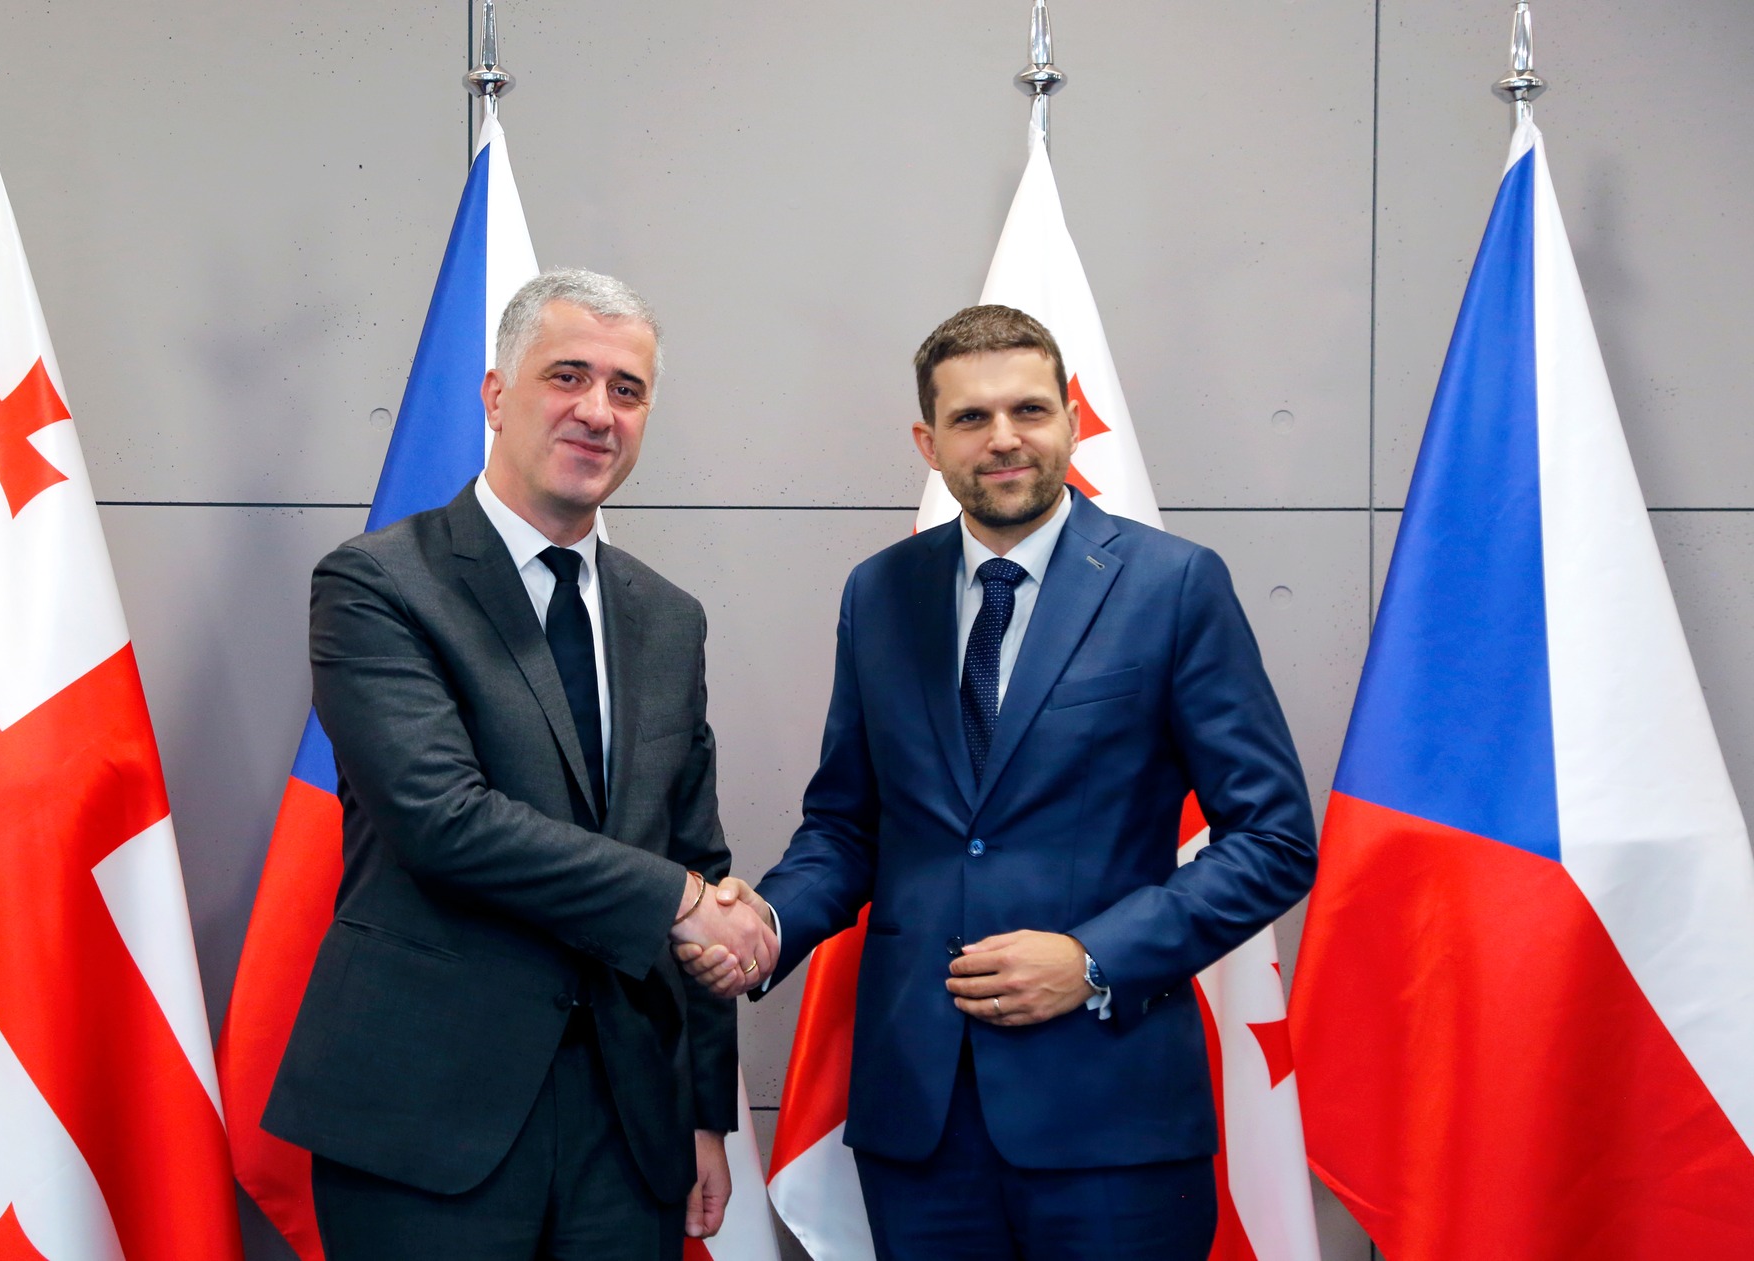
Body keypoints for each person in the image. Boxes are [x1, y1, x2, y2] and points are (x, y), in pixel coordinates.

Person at [683, 305, 1317, 1260]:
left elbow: (1274, 838)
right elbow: (849, 824)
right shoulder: (879, 591)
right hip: (920, 1122)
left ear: (1072, 419)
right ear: (929, 443)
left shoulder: (1174, 584)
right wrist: (769, 924)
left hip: (1111, 1114)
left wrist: (1094, 956)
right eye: (971, 418)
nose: (1004, 438)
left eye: (1029, 409)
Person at [266, 269, 777, 1261]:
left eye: (626, 389)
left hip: (629, 1127)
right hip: (426, 1117)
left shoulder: (668, 618)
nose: (597, 411)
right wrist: (681, 900)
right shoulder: (377, 583)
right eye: (567, 376)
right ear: (497, 395)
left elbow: (698, 859)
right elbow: (442, 819)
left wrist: (703, 1106)